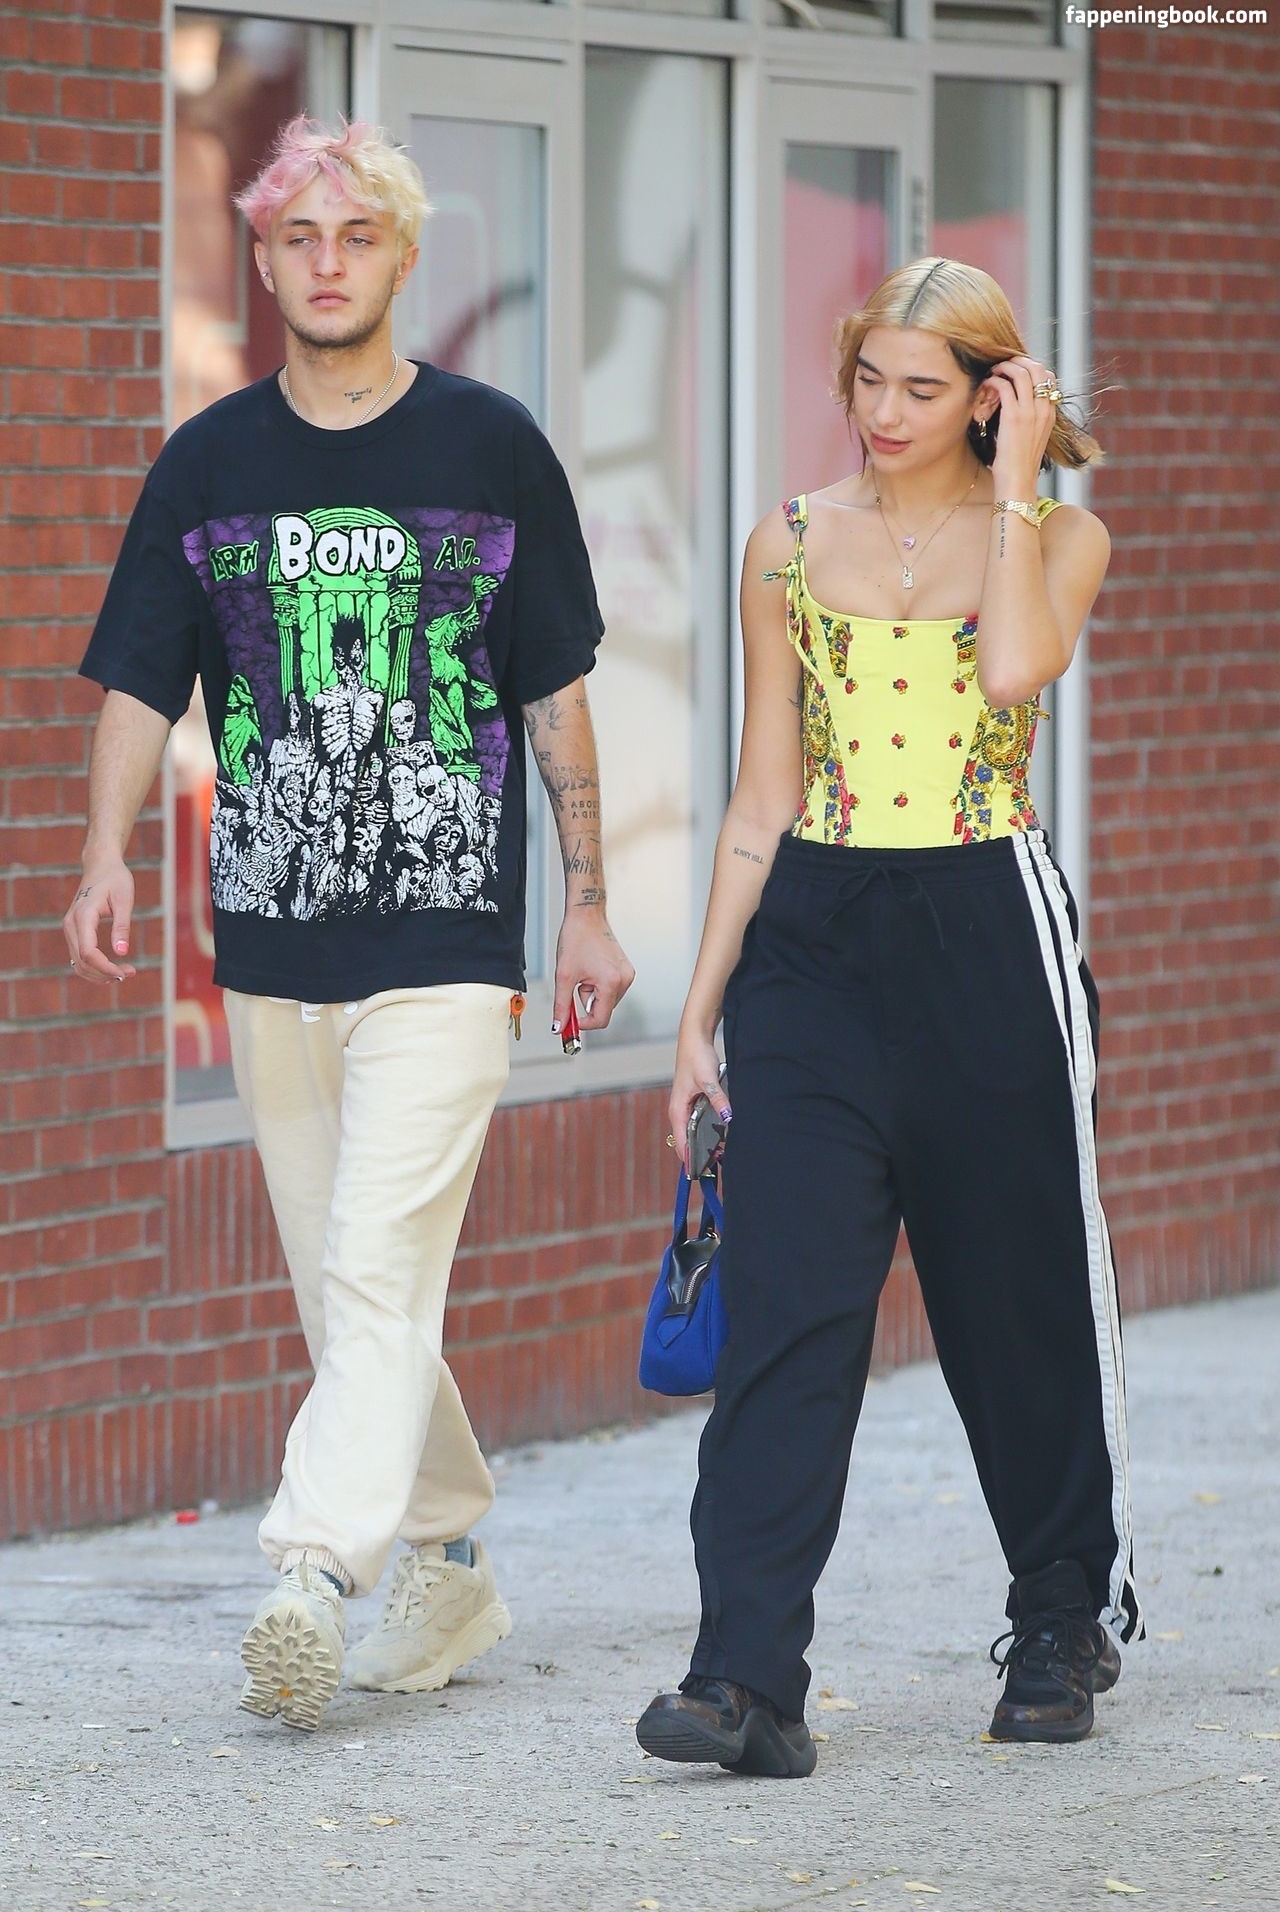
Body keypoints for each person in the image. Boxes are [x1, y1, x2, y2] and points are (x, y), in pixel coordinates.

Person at [66, 116, 633, 1732]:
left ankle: (312, 1572)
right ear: (263, 263)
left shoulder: (492, 446)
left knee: (377, 1264)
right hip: (273, 940)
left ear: (403, 256)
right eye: (300, 237)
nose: (329, 262)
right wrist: (105, 854)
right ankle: (449, 1556)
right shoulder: (208, 463)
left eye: (358, 235)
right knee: (346, 1289)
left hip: (449, 942)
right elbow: (138, 680)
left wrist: (589, 904)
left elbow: (554, 690)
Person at [636, 256, 1141, 1779]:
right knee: (787, 1308)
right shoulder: (786, 543)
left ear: (992, 396)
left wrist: (1017, 485)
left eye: (926, 388)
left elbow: (1016, 668)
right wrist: (700, 1012)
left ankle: (1060, 1618)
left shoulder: (1061, 537)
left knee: (1014, 1301)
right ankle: (744, 1678)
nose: (886, 412)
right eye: (870, 378)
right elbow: (760, 795)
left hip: (990, 928)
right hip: (814, 938)